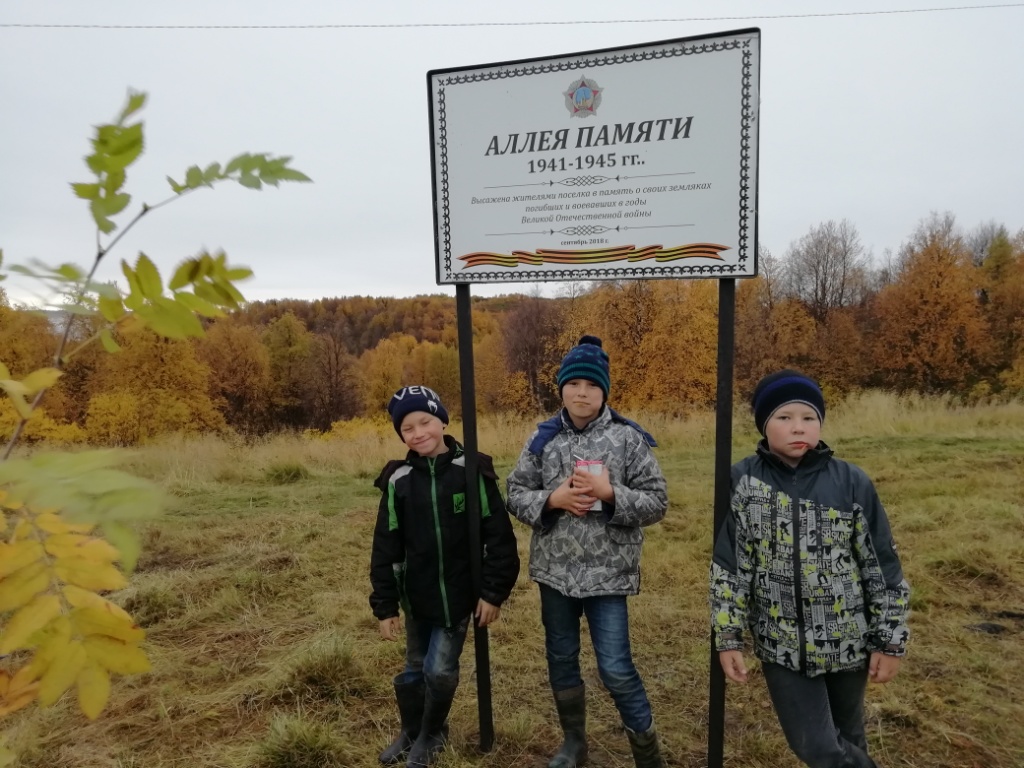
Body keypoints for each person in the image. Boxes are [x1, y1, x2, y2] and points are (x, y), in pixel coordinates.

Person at [710, 369, 911, 768]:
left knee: (848, 736)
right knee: (818, 747)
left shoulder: (851, 482)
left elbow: (882, 568)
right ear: (764, 424)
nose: (798, 427)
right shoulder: (743, 481)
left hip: (848, 641)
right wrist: (728, 636)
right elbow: (731, 566)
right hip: (780, 644)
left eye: (808, 417)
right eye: (784, 417)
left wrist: (889, 641)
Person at [506, 335, 668, 768]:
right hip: (555, 574)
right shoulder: (542, 439)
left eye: (592, 385)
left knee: (615, 667)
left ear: (604, 391)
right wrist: (552, 500)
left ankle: (648, 755)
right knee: (561, 659)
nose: (582, 393)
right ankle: (574, 744)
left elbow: (657, 502)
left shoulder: (627, 439)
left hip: (608, 576)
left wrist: (611, 493)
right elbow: (515, 493)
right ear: (561, 388)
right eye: (574, 384)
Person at [370, 385, 520, 767]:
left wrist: (493, 592)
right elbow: (385, 547)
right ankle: (413, 732)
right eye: (408, 428)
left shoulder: (471, 472)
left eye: (425, 422)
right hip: (416, 598)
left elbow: (499, 537)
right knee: (414, 668)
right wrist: (386, 605)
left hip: (458, 596)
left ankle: (433, 733)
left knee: (438, 671)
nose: (418, 433)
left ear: (442, 420)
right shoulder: (398, 480)